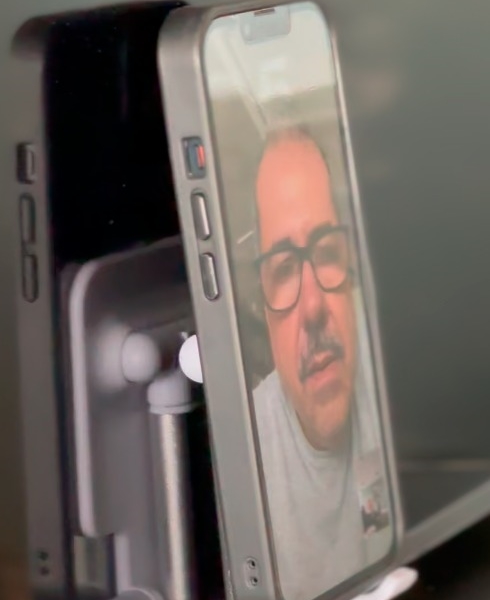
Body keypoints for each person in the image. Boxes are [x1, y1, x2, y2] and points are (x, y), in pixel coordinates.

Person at [252, 127, 380, 600]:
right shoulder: (247, 457)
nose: (311, 308)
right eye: (285, 269)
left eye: (327, 253)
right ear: (265, 314)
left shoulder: (400, 379)